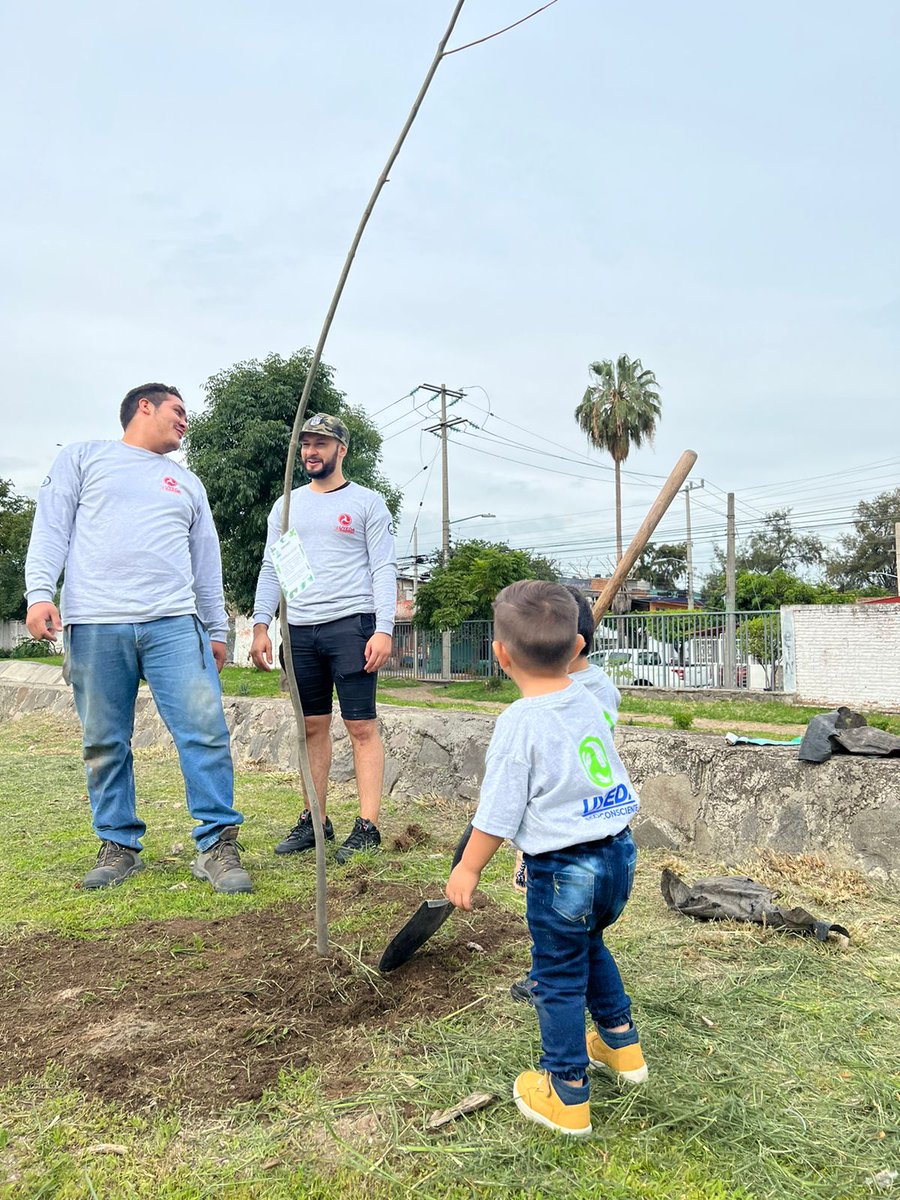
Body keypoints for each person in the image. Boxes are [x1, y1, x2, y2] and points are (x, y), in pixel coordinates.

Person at [23, 383, 252, 894]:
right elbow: (51, 528)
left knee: (205, 733)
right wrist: (40, 592)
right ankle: (118, 845)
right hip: (96, 622)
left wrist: (217, 630)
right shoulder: (85, 458)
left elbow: (205, 563)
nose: (185, 420)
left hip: (174, 623)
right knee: (104, 741)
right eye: (178, 410)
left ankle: (217, 844)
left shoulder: (186, 482)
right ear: (143, 406)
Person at [446, 580, 646, 1137]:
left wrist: (468, 867)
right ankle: (620, 1043)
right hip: (618, 854)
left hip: (566, 870)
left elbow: (498, 812)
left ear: (499, 653)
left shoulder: (519, 722)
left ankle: (565, 1091)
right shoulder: (591, 694)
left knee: (556, 974)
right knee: (589, 944)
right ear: (578, 649)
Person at [250, 412, 397, 864]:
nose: (311, 451)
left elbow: (383, 568)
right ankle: (316, 821)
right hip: (299, 629)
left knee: (360, 726)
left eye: (320, 443)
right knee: (312, 726)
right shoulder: (287, 506)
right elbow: (275, 566)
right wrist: (261, 623)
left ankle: (368, 826)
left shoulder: (369, 503)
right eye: (306, 444)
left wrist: (385, 629)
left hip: (351, 625)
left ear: (341, 450)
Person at [509, 583, 621, 1001]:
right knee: (581, 927)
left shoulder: (562, 697)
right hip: (598, 822)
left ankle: (546, 975)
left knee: (549, 912)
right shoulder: (602, 687)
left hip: (558, 826)